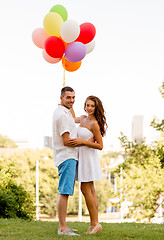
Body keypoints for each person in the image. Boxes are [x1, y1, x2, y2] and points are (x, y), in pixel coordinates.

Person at [68, 95, 107, 234]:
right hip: (82, 157)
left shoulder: (94, 124)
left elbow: (100, 145)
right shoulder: (82, 118)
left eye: (92, 106)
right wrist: (69, 103)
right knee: (90, 190)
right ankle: (95, 225)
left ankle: (94, 224)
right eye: (87, 105)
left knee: (86, 189)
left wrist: (82, 142)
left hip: (89, 158)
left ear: (96, 108)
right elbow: (72, 118)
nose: (89, 108)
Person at [52, 86, 79, 236]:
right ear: (61, 98)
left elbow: (74, 119)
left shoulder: (64, 112)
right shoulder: (62, 115)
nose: (72, 100)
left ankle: (64, 226)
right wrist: (85, 142)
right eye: (68, 97)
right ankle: (62, 228)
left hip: (68, 156)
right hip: (67, 156)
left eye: (74, 97)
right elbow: (66, 141)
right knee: (64, 192)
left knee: (65, 191)